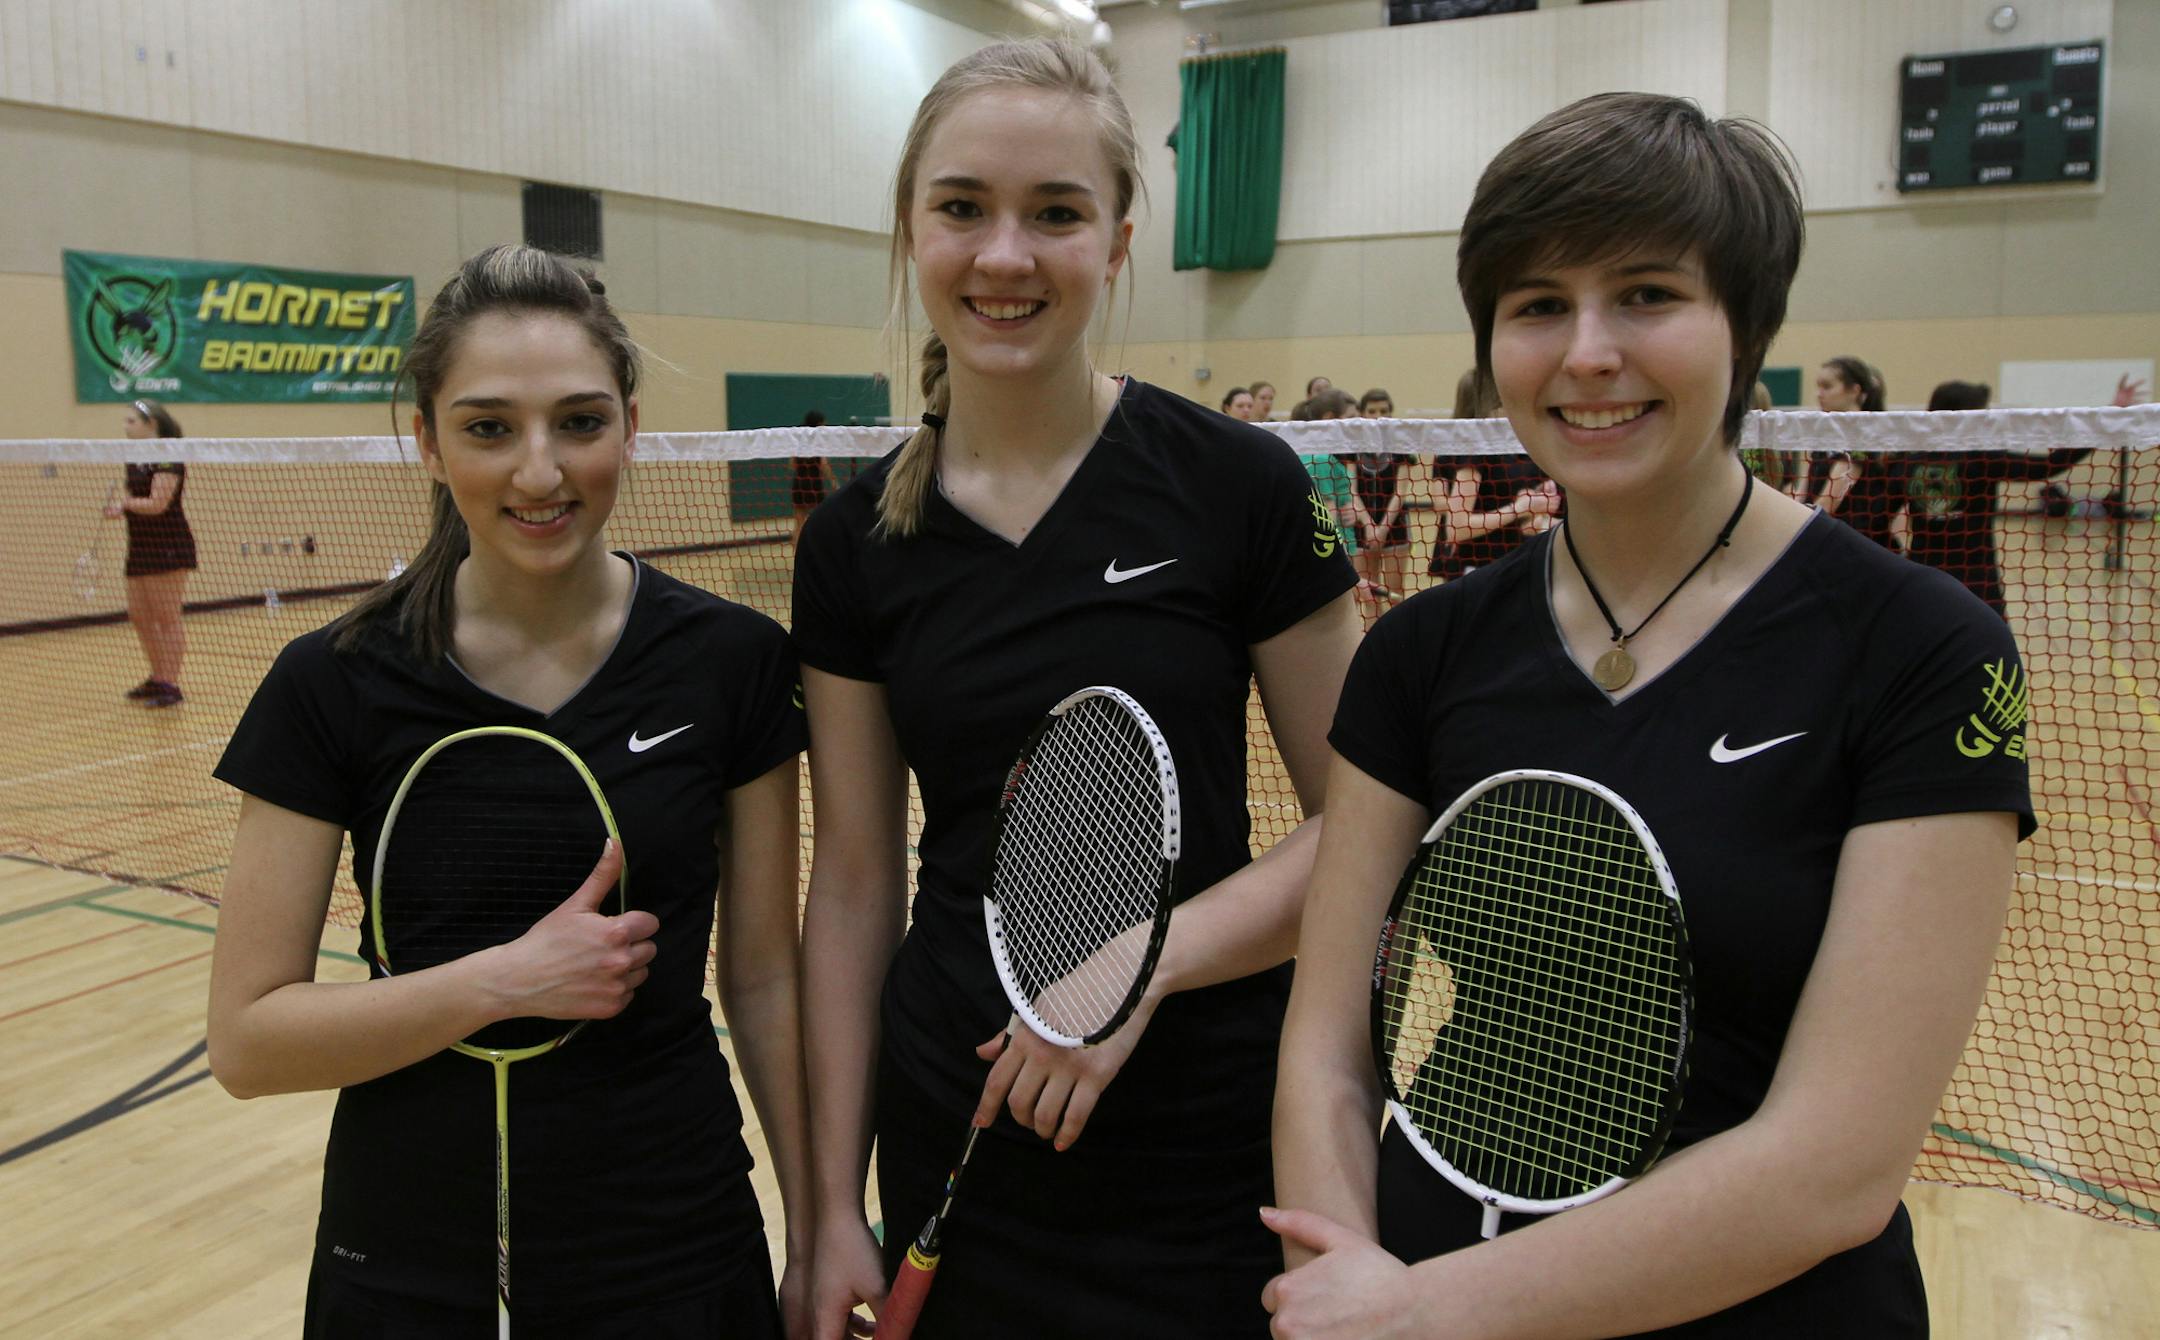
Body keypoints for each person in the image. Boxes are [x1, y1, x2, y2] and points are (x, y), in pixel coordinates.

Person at [1268, 93, 2030, 1338]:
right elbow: (1328, 1051)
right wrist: (1344, 1268)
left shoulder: (1920, 648)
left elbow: (1830, 1164)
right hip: (1410, 1264)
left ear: (1747, 323)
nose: (1587, 351)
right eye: (1536, 305)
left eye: (1647, 293)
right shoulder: (1422, 650)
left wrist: (1418, 1313)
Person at [791, 37, 1359, 1340]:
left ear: (1115, 241)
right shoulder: (854, 546)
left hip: (1203, 1124)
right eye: (963, 208)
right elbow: (858, 885)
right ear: (909, 229)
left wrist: (1136, 974)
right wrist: (828, 1207)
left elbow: (1368, 824)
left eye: (1056, 213)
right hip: (955, 1123)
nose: (1006, 257)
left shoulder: (1240, 488)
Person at [206, 245, 812, 1338]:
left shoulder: (732, 661)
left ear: (630, 425)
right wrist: (502, 980)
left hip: (673, 1235)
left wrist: (819, 1225)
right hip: (406, 1246)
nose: (540, 471)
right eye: (490, 427)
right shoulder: (332, 681)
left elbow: (764, 979)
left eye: (579, 422)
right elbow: (249, 1041)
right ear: (429, 442)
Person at [1897, 375, 2144, 615]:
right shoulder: (1982, 458)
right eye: (1979, 413)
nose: (1985, 419)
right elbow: (2050, 465)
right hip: (1977, 584)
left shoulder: (1908, 461)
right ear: (1961, 415)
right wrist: (2108, 416)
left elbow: (1873, 520)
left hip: (1924, 576)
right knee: (1992, 654)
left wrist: (1898, 561)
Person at [1429, 366, 1559, 581]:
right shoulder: (1474, 454)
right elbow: (1457, 527)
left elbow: (1529, 523)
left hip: (1516, 563)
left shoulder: (1521, 447)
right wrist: (1519, 508)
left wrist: (1540, 503)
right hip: (1476, 569)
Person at [107, 398, 196, 707]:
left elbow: (158, 503)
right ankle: (157, 677)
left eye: (131, 421)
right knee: (140, 615)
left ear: (152, 425)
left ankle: (170, 685)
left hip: (168, 545)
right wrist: (122, 507)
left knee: (166, 617)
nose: (125, 426)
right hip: (140, 545)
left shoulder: (169, 456)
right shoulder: (133, 457)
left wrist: (126, 504)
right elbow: (136, 498)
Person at [1804, 355, 1900, 549]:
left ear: (1854, 391)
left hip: (1858, 542)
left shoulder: (1862, 435)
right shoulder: (1823, 434)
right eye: (1818, 386)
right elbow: (1804, 489)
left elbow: (1830, 500)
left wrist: (1794, 529)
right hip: (1825, 536)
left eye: (1827, 386)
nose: (1819, 394)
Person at [1349, 388, 1410, 603]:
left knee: (1395, 593)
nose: (1377, 416)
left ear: (1391, 413)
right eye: (1372, 411)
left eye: (1383, 410)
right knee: (1368, 595)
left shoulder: (1401, 446)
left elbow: (1400, 492)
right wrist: (1368, 526)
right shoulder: (1351, 447)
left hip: (1396, 529)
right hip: (1361, 529)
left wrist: (1382, 529)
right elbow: (1352, 491)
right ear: (1362, 414)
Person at [793, 408, 837, 546]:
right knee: (820, 520)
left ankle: (796, 557)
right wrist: (834, 482)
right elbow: (823, 464)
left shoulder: (798, 438)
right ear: (817, 424)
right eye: (823, 424)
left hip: (799, 483)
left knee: (799, 522)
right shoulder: (818, 440)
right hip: (814, 484)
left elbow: (792, 464)